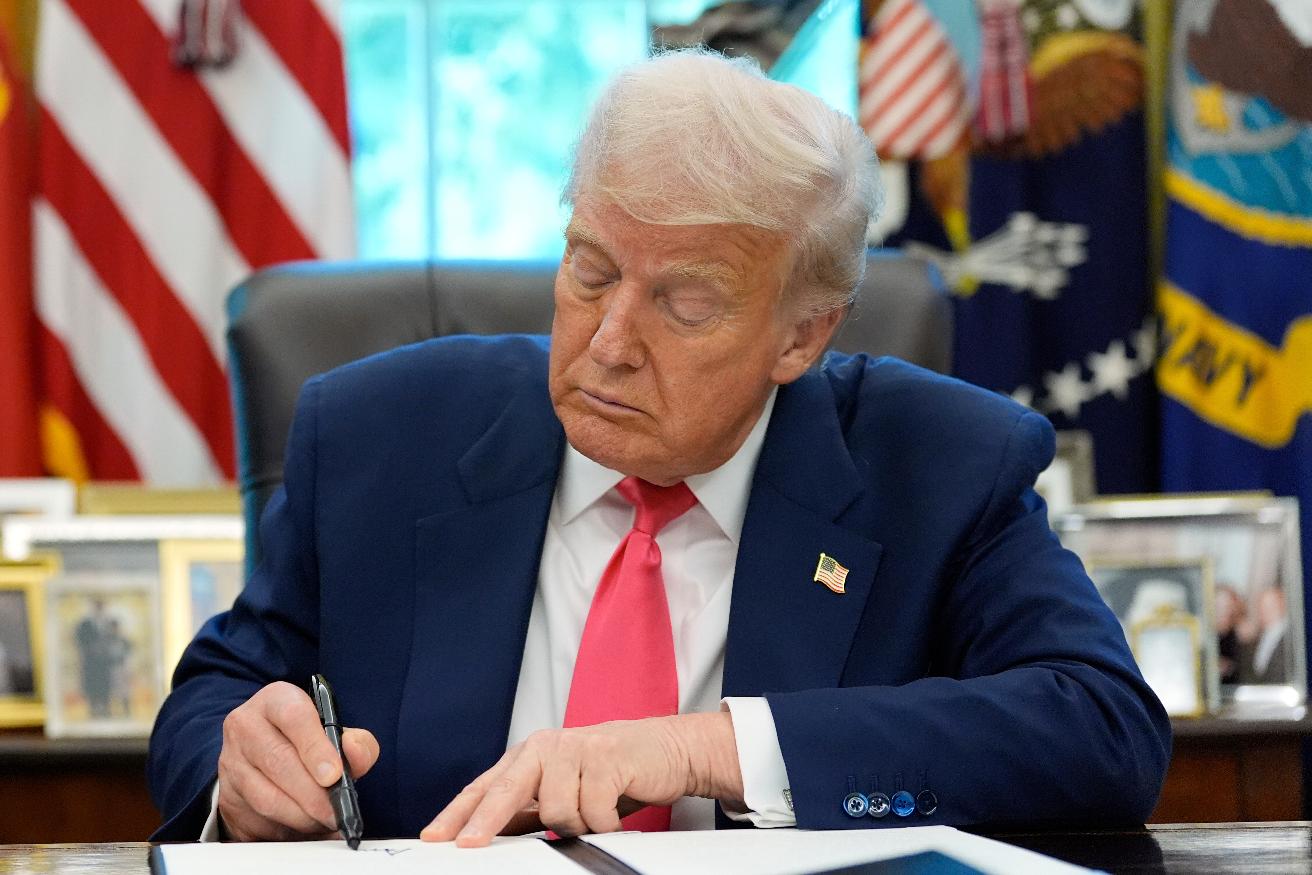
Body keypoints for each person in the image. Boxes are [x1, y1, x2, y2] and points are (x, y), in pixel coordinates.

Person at [147, 49, 1170, 844]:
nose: (609, 341)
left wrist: (710, 746)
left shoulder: (939, 463)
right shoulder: (378, 434)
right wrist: (239, 768)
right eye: (590, 271)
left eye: (683, 303)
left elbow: (1101, 728)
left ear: (800, 334)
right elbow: (215, 697)